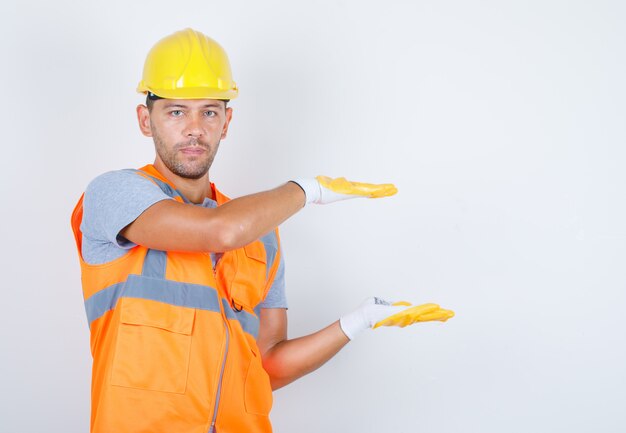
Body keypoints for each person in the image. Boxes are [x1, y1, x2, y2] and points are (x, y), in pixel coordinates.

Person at [71, 28, 454, 433]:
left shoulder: (261, 234)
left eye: (210, 111)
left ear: (227, 121)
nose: (195, 128)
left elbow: (268, 364)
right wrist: (309, 191)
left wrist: (359, 321)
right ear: (145, 120)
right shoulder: (113, 195)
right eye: (176, 111)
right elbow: (220, 231)